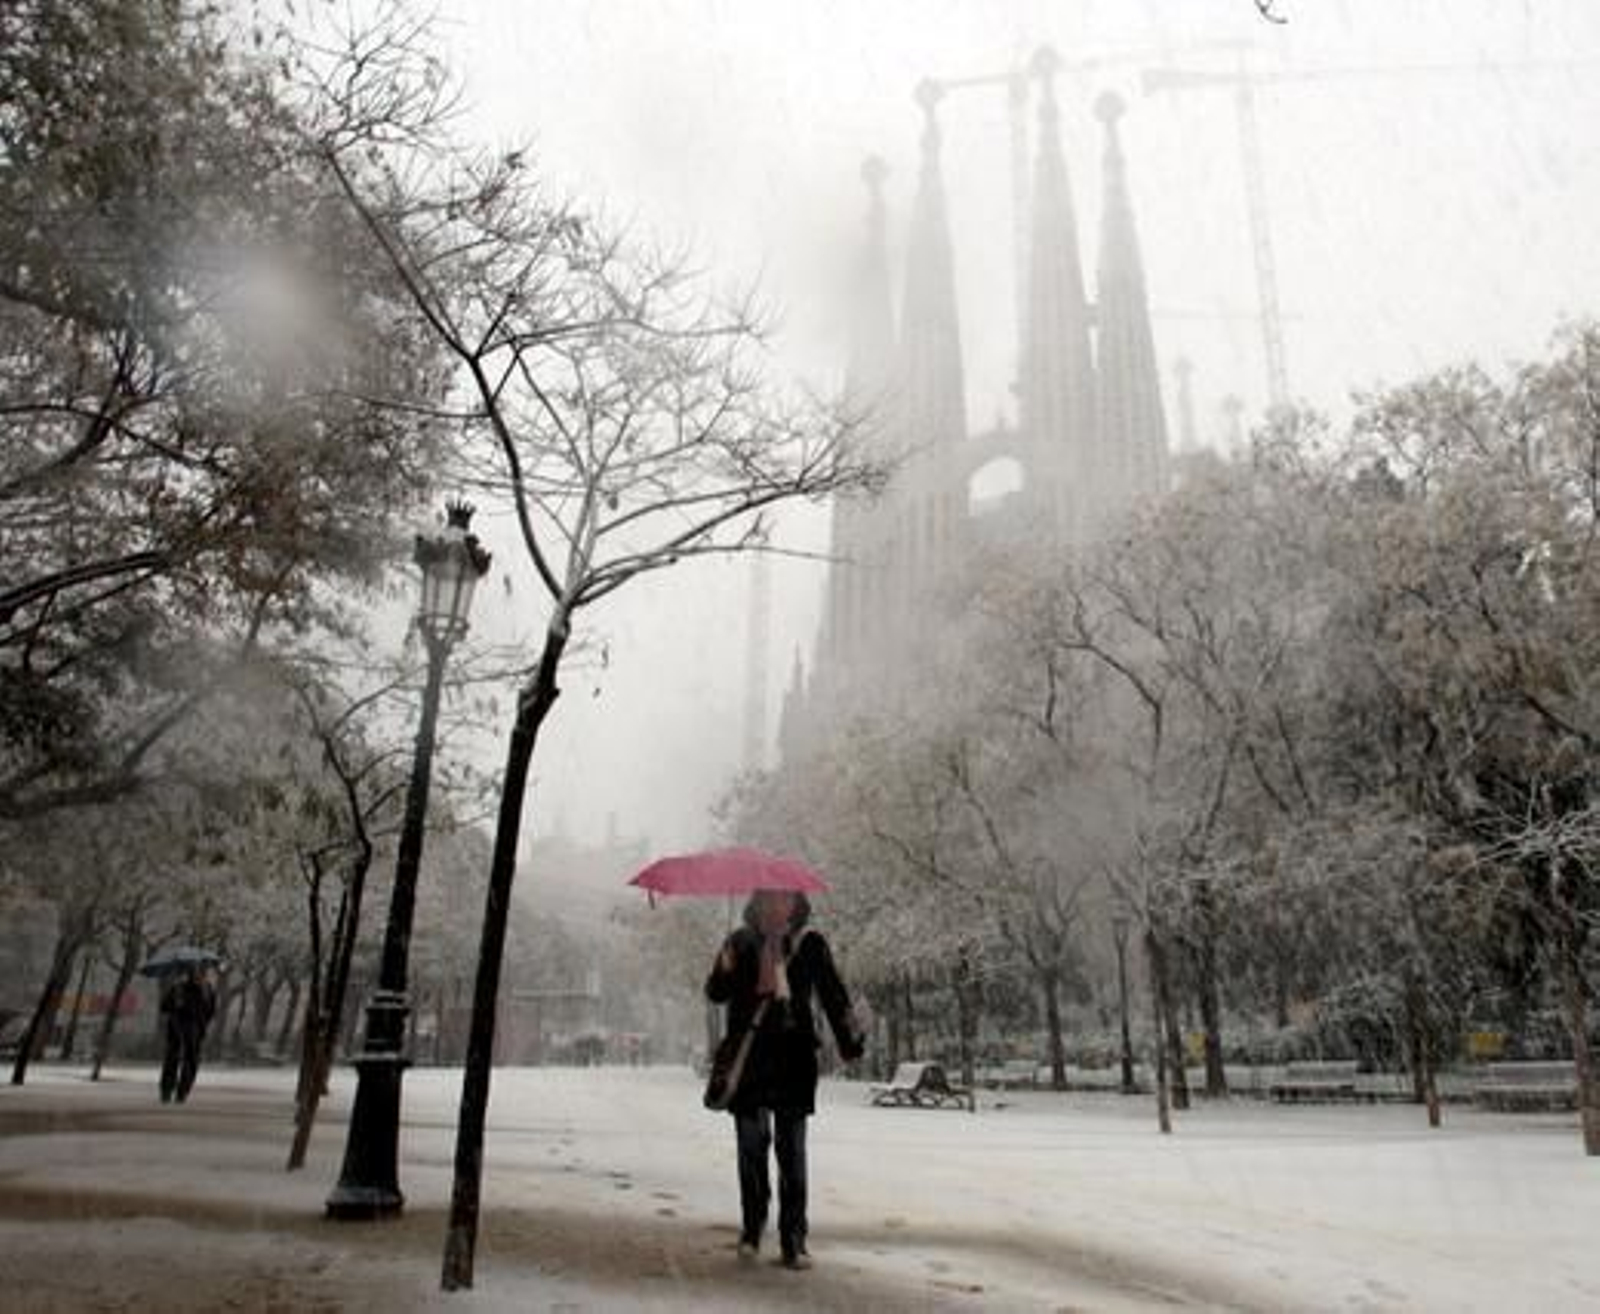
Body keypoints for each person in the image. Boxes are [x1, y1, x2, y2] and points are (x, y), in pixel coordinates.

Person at [704, 889, 864, 1270]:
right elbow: (715, 993)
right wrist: (724, 965)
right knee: (751, 1148)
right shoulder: (739, 942)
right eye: (768, 900)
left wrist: (849, 1042)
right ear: (756, 904)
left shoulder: (810, 944)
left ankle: (794, 1239)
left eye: (785, 900)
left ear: (796, 906)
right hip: (750, 1058)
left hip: (794, 1058)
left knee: (792, 1152)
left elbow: (833, 994)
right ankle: (752, 1228)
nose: (776, 907)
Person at [158, 964, 216, 1104]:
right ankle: (180, 1092)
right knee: (188, 1061)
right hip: (192, 1029)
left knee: (174, 1059)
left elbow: (164, 1007)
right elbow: (210, 1012)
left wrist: (176, 1005)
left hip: (178, 1028)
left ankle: (169, 1091)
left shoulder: (179, 988)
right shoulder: (207, 990)